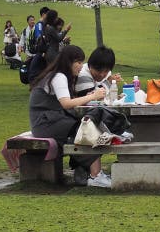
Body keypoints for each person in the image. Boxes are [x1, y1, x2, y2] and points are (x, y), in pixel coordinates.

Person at [28, 45, 111, 188]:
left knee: (88, 127)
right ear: (68, 62)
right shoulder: (59, 76)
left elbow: (66, 103)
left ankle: (92, 173)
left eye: (81, 62)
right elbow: (66, 104)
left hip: (48, 121)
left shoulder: (59, 75)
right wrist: (94, 96)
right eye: (78, 62)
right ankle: (95, 175)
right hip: (45, 123)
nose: (80, 66)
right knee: (86, 129)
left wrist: (89, 97)